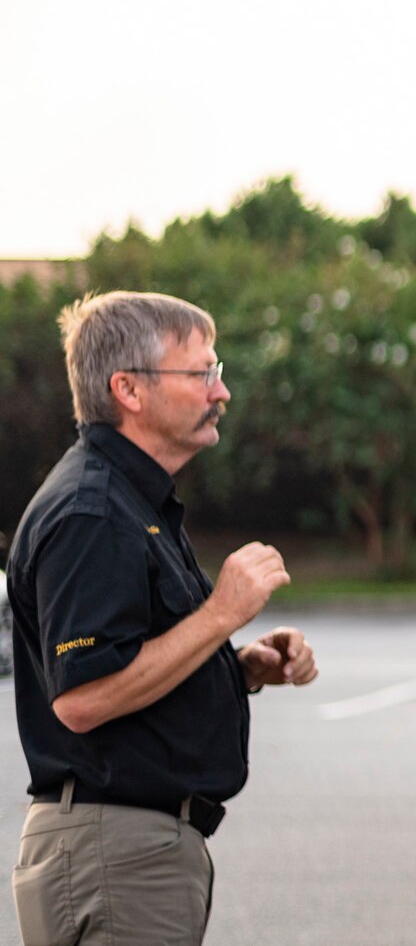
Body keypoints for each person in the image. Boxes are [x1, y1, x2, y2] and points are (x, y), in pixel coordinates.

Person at [8, 292, 319, 946]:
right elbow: (85, 697)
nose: (222, 389)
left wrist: (237, 667)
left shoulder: (126, 500)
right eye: (202, 371)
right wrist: (223, 610)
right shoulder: (93, 512)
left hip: (132, 851)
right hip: (117, 853)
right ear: (129, 389)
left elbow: (127, 663)